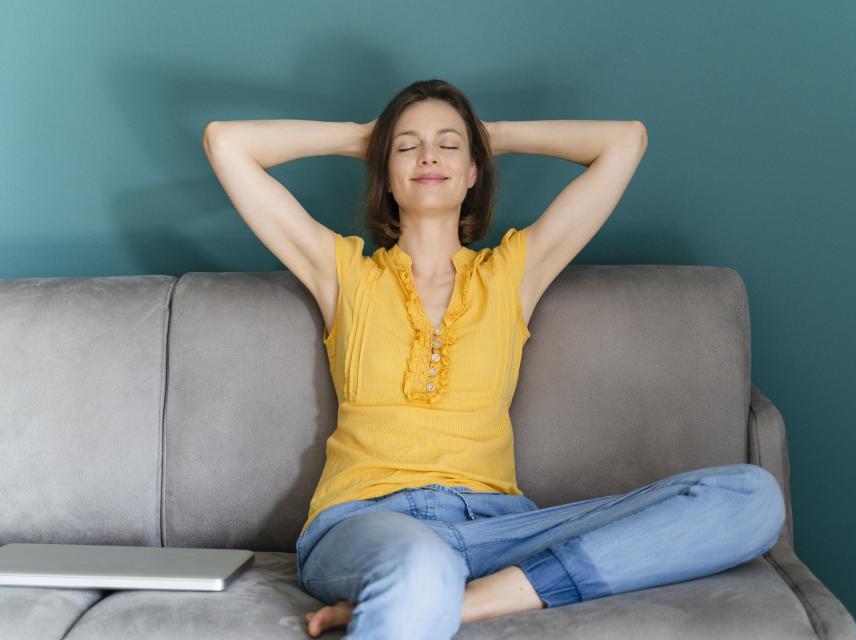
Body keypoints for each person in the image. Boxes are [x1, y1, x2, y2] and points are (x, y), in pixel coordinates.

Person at [203, 79, 785, 639]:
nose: (428, 155)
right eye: (407, 147)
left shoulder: (512, 273)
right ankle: (426, 588)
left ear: (474, 171)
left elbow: (625, 140)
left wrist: (491, 133)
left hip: (502, 529)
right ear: (383, 172)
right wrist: (365, 137)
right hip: (368, 523)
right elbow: (226, 143)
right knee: (419, 561)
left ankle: (455, 603)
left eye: (449, 145)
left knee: (751, 498)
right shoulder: (342, 272)